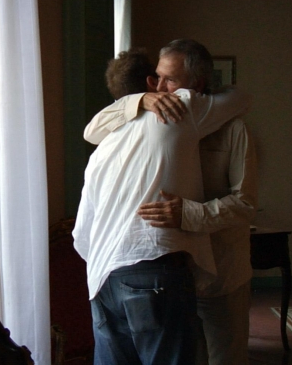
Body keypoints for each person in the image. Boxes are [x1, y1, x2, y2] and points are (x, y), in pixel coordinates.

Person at [72, 46, 251, 365]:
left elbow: (245, 202)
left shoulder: (226, 126)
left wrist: (189, 215)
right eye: (157, 79)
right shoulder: (145, 121)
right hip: (158, 267)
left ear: (196, 85)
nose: (160, 88)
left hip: (213, 271)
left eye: (170, 80)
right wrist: (139, 101)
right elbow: (91, 130)